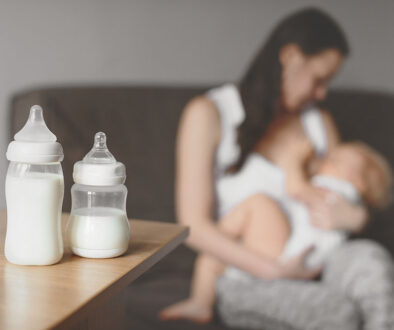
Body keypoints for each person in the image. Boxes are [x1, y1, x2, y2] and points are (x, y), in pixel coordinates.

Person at [160, 7, 394, 329]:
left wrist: (356, 217)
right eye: (319, 79)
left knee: (373, 263)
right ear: (290, 56)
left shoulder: (319, 122)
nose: (322, 93)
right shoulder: (209, 114)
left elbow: (349, 187)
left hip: (319, 260)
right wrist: (274, 270)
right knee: (334, 311)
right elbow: (193, 225)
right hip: (252, 270)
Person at [159, 141, 392, 323]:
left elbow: (295, 187)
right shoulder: (333, 189)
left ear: (359, 183)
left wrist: (292, 160)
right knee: (213, 257)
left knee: (258, 204)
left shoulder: (336, 190)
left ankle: (205, 291)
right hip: (288, 256)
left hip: (291, 253)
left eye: (336, 161)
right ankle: (203, 298)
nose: (326, 159)